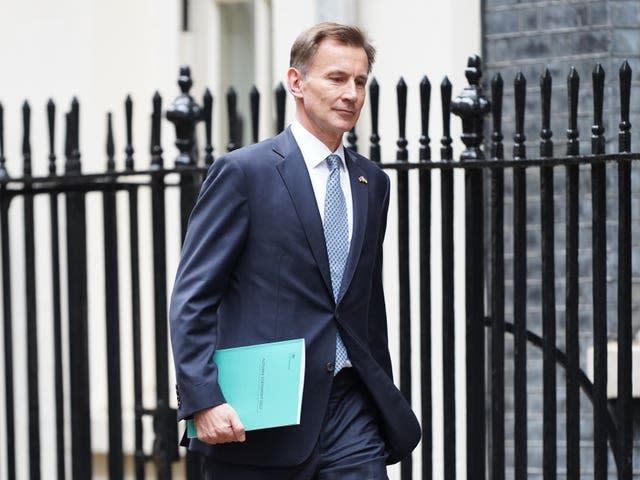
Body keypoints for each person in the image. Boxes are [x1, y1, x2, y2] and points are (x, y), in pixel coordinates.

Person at [169, 22, 421, 479]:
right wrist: (203, 397)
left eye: (360, 81)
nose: (351, 94)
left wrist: (380, 388)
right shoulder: (244, 173)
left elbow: (363, 301)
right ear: (297, 83)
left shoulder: (373, 183)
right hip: (263, 417)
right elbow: (193, 298)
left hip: (351, 410)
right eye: (337, 78)